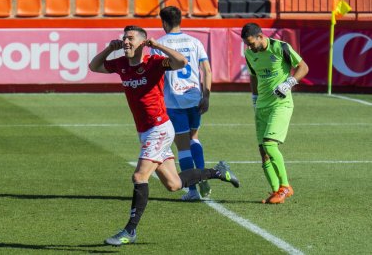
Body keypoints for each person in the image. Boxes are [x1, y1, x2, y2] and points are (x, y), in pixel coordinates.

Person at [89, 25, 240, 246]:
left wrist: (158, 46)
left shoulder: (154, 63)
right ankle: (218, 172)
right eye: (124, 38)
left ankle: (129, 231)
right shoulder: (120, 63)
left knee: (139, 177)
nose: (126, 42)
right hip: (145, 132)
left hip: (159, 129)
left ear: (143, 42)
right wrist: (109, 50)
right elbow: (94, 67)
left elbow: (181, 63)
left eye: (130, 38)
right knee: (174, 184)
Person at [241, 23, 309, 204]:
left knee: (270, 145)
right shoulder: (249, 54)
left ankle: (286, 186)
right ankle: (276, 190)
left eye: (252, 43)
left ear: (260, 36)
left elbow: (303, 67)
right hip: (261, 106)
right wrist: (254, 98)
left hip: (281, 104)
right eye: (247, 45)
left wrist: (289, 82)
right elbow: (254, 76)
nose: (250, 47)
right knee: (263, 151)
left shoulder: (280, 47)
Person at [151, 6, 213, 201]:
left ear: (164, 23)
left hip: (174, 101)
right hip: (194, 97)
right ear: (180, 20)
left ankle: (192, 190)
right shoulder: (195, 42)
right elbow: (207, 70)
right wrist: (206, 96)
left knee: (183, 147)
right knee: (195, 138)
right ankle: (203, 178)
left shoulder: (159, 44)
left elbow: (155, 74)